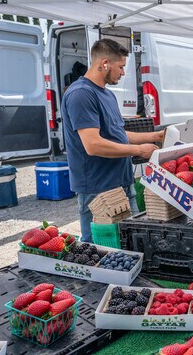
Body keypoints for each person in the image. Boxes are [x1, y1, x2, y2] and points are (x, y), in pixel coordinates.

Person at [62, 39, 164, 243]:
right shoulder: (81, 94)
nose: (123, 73)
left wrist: (155, 136)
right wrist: (138, 150)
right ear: (105, 63)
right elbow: (93, 145)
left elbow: (117, 134)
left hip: (122, 183)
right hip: (98, 190)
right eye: (121, 67)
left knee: (133, 245)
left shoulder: (107, 95)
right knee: (102, 252)